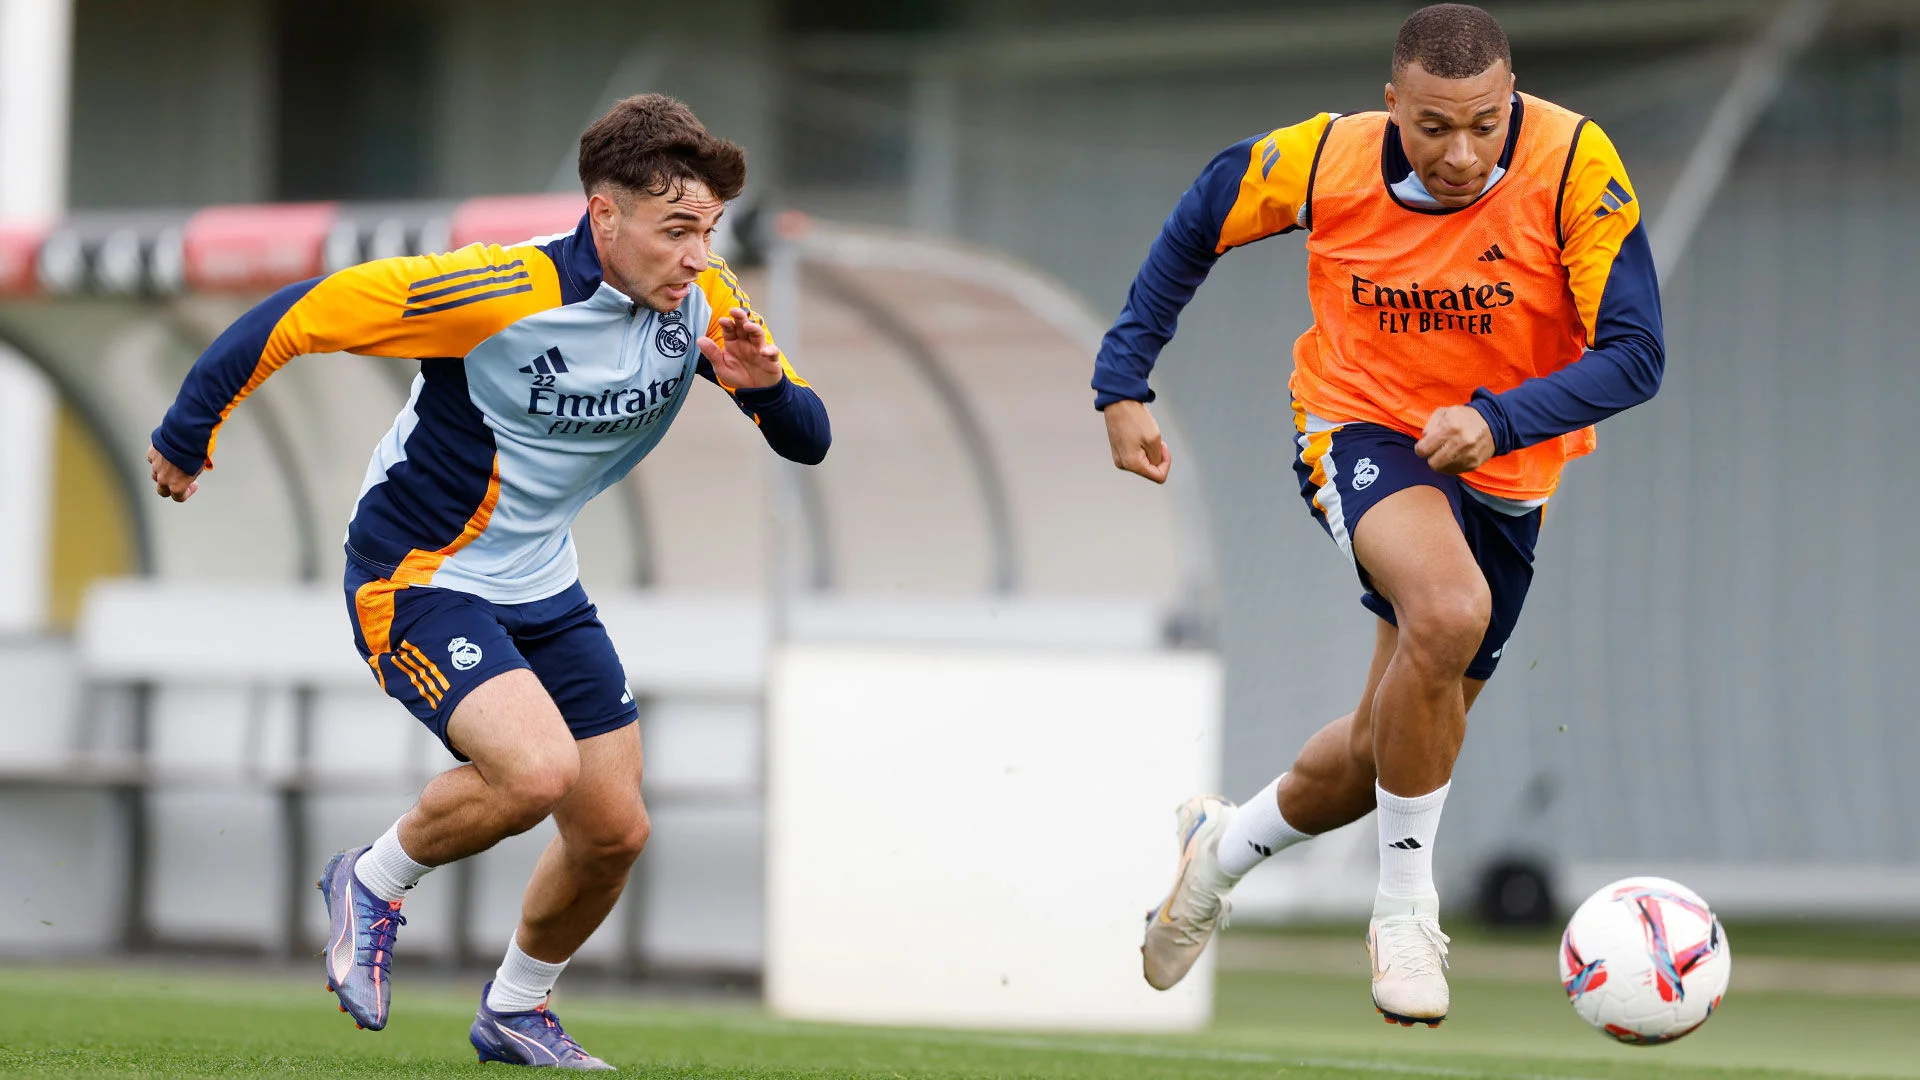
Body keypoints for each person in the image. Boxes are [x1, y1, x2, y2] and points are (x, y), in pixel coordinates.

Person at [146, 94, 828, 1069]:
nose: (697, 255)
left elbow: (808, 439)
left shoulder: (706, 299)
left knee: (613, 831)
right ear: (605, 217)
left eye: (709, 232)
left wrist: (765, 388)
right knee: (535, 771)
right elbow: (298, 315)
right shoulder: (493, 289)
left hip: (543, 584)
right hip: (417, 575)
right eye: (677, 229)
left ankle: (517, 1010)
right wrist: (186, 432)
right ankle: (371, 882)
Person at [1094, 4, 1662, 1026]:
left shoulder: (1575, 164)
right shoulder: (1324, 160)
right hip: (1356, 426)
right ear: (1392, 104)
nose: (1461, 152)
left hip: (1505, 466)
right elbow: (1202, 216)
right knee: (1448, 612)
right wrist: (1122, 378)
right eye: (1434, 126)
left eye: (1485, 123)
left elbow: (1636, 353)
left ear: (1512, 98)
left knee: (1373, 754)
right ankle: (1404, 911)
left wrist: (1498, 421)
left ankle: (1215, 858)